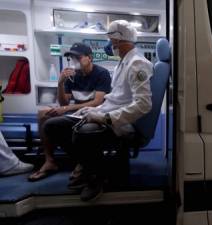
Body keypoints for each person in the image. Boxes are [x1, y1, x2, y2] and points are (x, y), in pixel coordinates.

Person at [42, 20, 153, 201]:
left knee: (82, 134)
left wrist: (105, 118)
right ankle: (89, 166)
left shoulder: (137, 64)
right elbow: (114, 99)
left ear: (119, 41)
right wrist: (89, 110)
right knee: (52, 126)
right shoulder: (122, 63)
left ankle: (96, 177)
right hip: (106, 112)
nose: (109, 45)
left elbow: (143, 104)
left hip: (119, 122)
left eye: (110, 40)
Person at [28, 43, 112, 181]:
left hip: (94, 113)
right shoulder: (72, 76)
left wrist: (66, 109)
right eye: (72, 58)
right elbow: (64, 102)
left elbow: (97, 102)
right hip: (76, 113)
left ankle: (81, 161)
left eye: (77, 57)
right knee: (43, 114)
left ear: (89, 58)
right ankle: (50, 161)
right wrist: (60, 83)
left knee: (62, 122)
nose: (74, 61)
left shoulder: (101, 73)